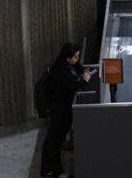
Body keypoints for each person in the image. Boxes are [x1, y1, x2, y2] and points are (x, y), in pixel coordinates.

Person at [40, 43, 93, 177]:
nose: (77, 59)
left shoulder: (65, 63)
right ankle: (55, 171)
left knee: (54, 138)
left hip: (62, 107)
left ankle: (48, 168)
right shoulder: (60, 71)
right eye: (75, 57)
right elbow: (74, 85)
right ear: (67, 57)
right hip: (59, 109)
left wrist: (83, 70)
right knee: (55, 139)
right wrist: (85, 80)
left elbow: (76, 66)